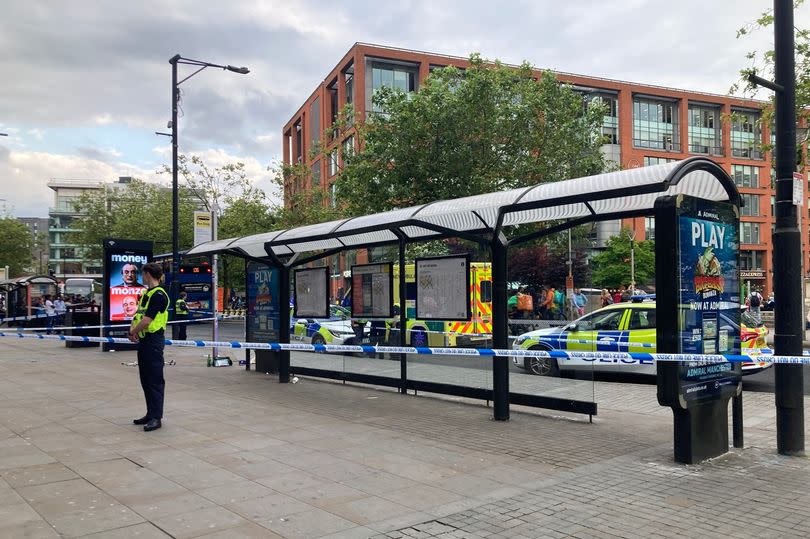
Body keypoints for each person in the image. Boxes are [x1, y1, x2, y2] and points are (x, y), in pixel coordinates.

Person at [128, 263, 170, 432]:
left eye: (142, 274)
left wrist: (133, 332)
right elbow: (140, 316)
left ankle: (156, 417)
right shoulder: (147, 293)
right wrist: (134, 331)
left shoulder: (159, 295)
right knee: (145, 379)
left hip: (153, 341)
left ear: (148, 274)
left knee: (154, 380)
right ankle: (150, 413)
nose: (141, 277)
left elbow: (147, 320)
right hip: (145, 341)